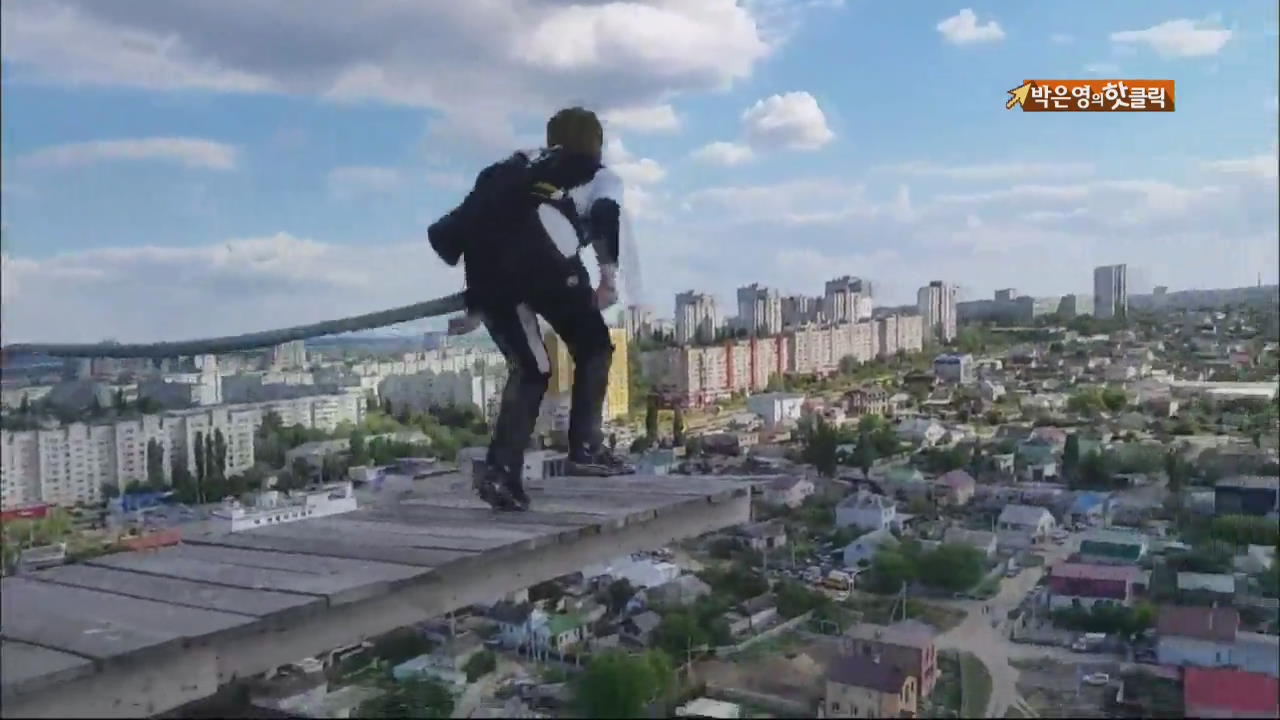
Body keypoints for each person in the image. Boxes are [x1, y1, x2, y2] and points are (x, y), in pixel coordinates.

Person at [428, 107, 634, 511]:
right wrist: (608, 279)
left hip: (491, 276)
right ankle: (586, 450)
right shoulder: (596, 172)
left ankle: (501, 474)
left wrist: (476, 306)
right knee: (594, 347)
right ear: (595, 141)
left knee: (532, 369)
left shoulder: (514, 166)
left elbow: (480, 228)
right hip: (547, 266)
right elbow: (606, 214)